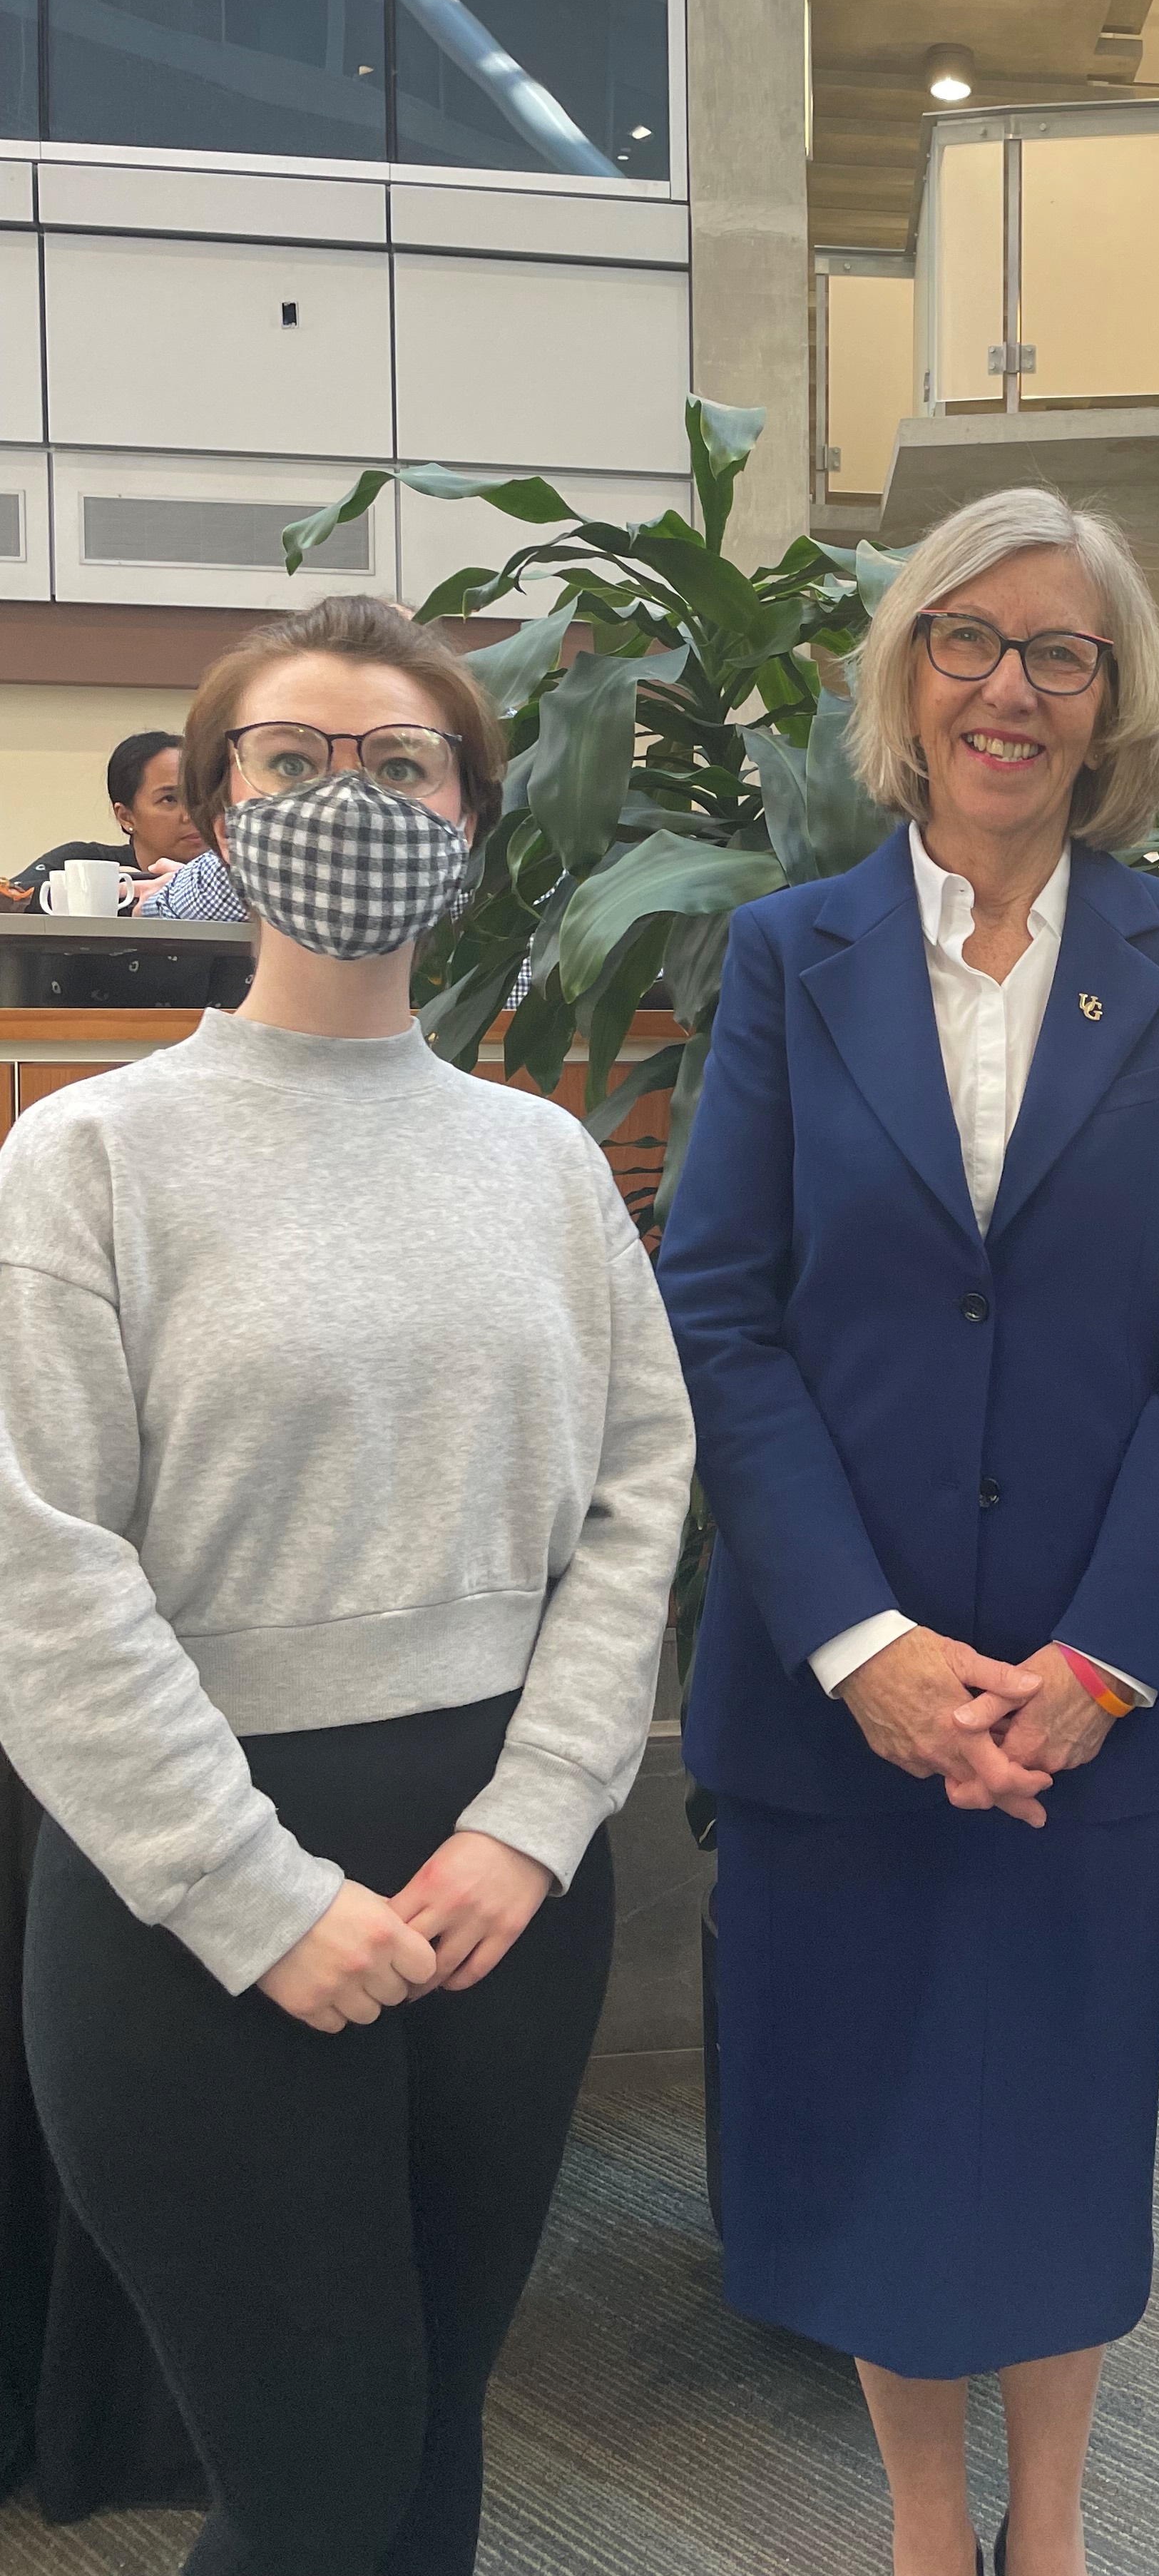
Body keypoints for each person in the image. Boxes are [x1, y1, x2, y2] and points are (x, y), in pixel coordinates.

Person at [0, 594, 695, 2576]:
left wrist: (541, 1818)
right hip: (189, 1890)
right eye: (292, 761)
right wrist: (257, 1895)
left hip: (500, 1879)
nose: (346, 797)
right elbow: (36, 1559)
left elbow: (642, 1492)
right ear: (212, 807)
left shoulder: (541, 1161)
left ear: (471, 813)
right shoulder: (92, 1157)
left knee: (426, 2464)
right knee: (310, 2488)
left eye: (400, 765)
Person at [657, 488, 1159, 2576]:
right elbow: (722, 1306)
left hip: (1089, 1702)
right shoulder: (786, 954)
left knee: (1062, 2133)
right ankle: (932, 2531)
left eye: (1063, 654)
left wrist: (1110, 1659)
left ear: (1112, 709)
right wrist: (863, 1647)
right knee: (880, 2139)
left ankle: (1062, 2525)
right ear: (908, 679)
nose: (1012, 688)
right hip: (857, 1702)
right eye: (970, 642)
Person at [4, 730, 202, 902]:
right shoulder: (84, 863)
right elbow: (10, 897)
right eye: (169, 799)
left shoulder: (228, 875)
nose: (191, 815)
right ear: (126, 816)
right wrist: (105, 889)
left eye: (201, 796)